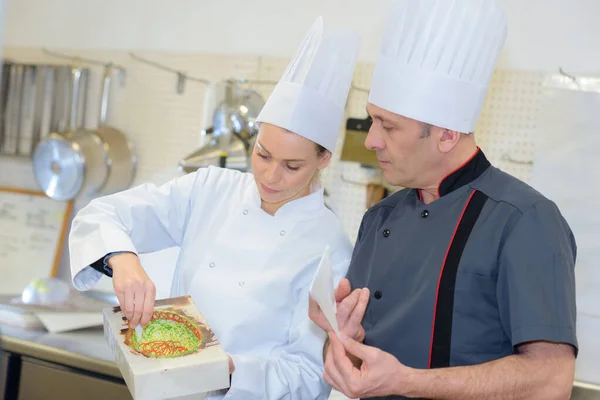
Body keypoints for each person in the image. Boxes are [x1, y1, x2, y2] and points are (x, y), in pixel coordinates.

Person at [69, 17, 360, 400]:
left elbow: (309, 375)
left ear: (323, 160)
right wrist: (123, 259)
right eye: (263, 154)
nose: (271, 176)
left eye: (292, 166)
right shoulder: (211, 188)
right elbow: (102, 215)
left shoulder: (329, 247)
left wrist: (222, 370)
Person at [309, 1, 578, 399]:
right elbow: (359, 364)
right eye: (372, 120)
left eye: (389, 126)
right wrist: (340, 337)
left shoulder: (524, 219)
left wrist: (407, 382)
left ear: (447, 135)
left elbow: (551, 379)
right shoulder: (379, 216)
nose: (370, 141)